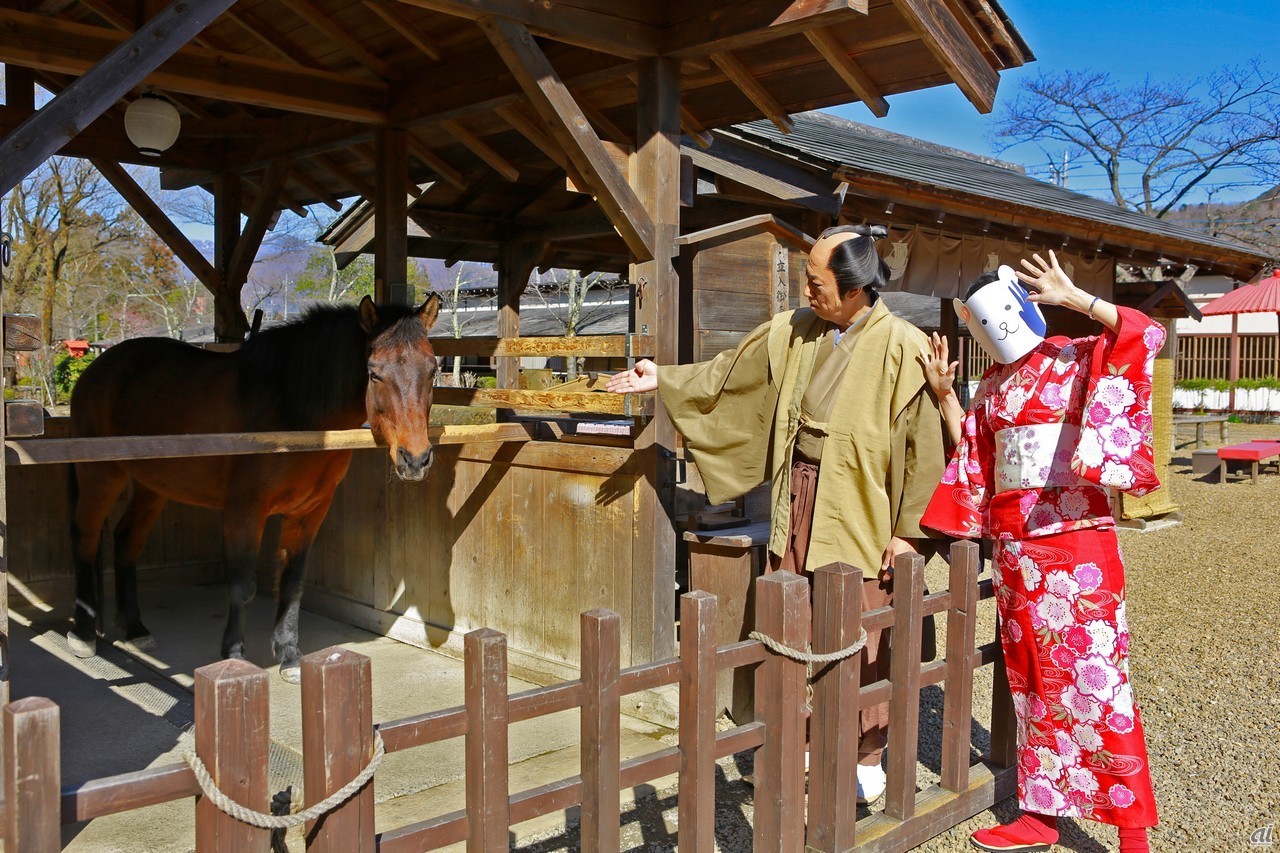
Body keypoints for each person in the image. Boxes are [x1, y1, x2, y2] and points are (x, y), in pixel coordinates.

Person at [607, 224, 946, 803]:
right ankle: (803, 742)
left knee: (863, 625)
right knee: (794, 614)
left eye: (817, 283)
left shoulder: (904, 345)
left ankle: (866, 755)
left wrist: (908, 534)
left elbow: (926, 449)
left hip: (865, 504)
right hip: (801, 494)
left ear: (856, 289)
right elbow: (728, 373)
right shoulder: (798, 329)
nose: (807, 292)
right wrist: (661, 377)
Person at [921, 253, 1161, 853]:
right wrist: (948, 397)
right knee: (1034, 682)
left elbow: (1144, 334)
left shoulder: (1076, 357)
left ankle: (1133, 831)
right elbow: (974, 452)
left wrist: (1076, 299)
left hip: (1076, 543)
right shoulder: (995, 385)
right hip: (1016, 552)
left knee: (1098, 680)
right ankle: (1041, 817)